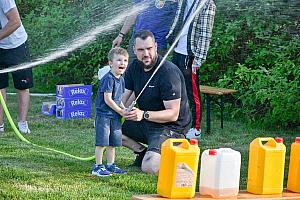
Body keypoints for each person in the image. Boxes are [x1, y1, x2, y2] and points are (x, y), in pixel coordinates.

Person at [122, 29, 191, 174]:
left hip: (171, 128)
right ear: (134, 50)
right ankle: (142, 152)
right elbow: (125, 98)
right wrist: (111, 113)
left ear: (156, 46)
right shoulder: (134, 67)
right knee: (107, 128)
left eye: (149, 49)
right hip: (147, 122)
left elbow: (173, 114)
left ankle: (174, 155)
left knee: (150, 167)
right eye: (141, 50)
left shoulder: (168, 72)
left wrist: (143, 114)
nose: (145, 54)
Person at [166, 0, 216, 138]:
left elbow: (206, 34)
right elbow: (177, 19)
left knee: (191, 93)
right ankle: (178, 123)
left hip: (191, 55)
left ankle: (196, 128)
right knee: (175, 90)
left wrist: (199, 59)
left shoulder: (207, 4)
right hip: (177, 51)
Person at [92, 47, 128, 177]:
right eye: (118, 60)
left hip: (115, 116)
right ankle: (97, 166)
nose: (122, 63)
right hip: (104, 116)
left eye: (125, 60)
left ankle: (110, 164)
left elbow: (118, 99)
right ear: (110, 63)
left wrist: (124, 109)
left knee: (113, 142)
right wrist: (120, 110)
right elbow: (108, 99)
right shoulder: (108, 79)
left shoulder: (121, 79)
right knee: (102, 142)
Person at [0, 0, 32, 134]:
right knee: (0, 87)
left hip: (17, 45)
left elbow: (15, 22)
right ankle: (0, 125)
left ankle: (22, 123)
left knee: (23, 86)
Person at [112, 0, 177, 62]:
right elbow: (133, 14)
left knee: (152, 73)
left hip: (157, 45)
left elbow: (178, 19)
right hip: (137, 41)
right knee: (131, 70)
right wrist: (121, 35)